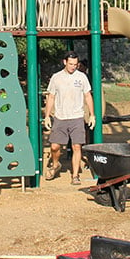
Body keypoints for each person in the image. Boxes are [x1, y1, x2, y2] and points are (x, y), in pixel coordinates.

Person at [43, 51, 93, 185]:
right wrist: (47, 116)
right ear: (64, 62)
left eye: (75, 64)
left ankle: (75, 176)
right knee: (54, 147)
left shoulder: (81, 77)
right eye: (71, 64)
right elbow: (51, 96)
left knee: (77, 146)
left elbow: (88, 95)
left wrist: (92, 115)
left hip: (77, 117)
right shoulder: (56, 77)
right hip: (60, 117)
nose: (73, 67)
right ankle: (55, 164)